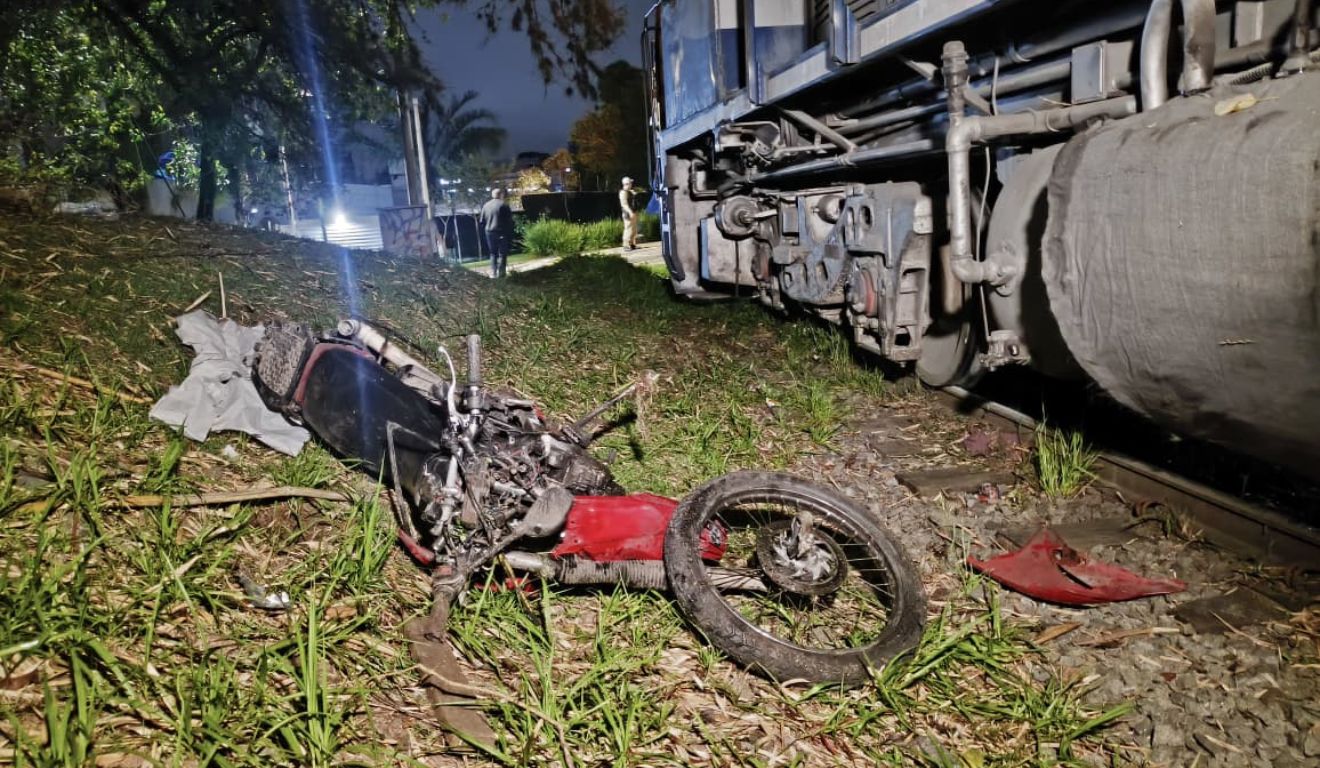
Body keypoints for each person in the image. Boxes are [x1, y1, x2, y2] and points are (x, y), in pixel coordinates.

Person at [478, 188, 515, 277]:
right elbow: (509, 221)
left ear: (492, 195)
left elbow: (482, 221)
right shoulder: (504, 205)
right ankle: (502, 273)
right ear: (501, 195)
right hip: (502, 232)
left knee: (493, 253)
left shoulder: (486, 206)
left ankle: (493, 272)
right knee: (503, 253)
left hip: (490, 232)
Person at [619, 176, 639, 250]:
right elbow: (624, 204)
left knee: (634, 229)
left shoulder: (630, 191)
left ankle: (632, 244)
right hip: (628, 213)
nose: (631, 184)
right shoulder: (623, 193)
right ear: (626, 184)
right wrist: (630, 212)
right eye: (630, 183)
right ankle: (626, 244)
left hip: (633, 212)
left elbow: (633, 202)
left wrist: (634, 195)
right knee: (628, 228)